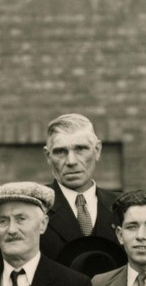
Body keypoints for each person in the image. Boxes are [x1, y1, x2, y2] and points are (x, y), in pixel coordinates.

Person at [41, 113, 121, 265]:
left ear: (97, 150)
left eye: (80, 149)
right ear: (48, 155)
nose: (71, 161)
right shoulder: (36, 208)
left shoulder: (123, 207)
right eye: (60, 151)